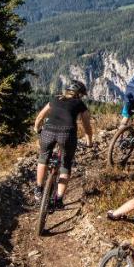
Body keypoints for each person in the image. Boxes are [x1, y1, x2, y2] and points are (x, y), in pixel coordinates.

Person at [32, 79, 95, 209]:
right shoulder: (80, 104)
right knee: (65, 165)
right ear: (79, 94)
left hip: (48, 131)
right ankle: (59, 199)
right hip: (66, 134)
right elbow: (87, 126)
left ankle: (38, 188)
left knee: (43, 158)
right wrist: (89, 141)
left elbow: (40, 117)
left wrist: (37, 129)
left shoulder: (54, 100)